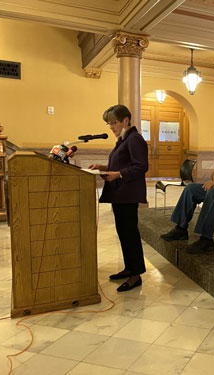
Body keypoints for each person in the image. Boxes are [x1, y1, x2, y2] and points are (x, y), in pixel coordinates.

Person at [89, 104, 148, 292]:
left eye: (114, 123)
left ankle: (136, 275)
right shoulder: (124, 139)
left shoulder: (135, 139)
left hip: (128, 194)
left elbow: (141, 166)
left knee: (130, 234)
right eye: (109, 124)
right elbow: (121, 163)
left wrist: (118, 175)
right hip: (119, 194)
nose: (111, 127)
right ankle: (129, 268)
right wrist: (105, 168)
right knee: (123, 233)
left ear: (126, 120)